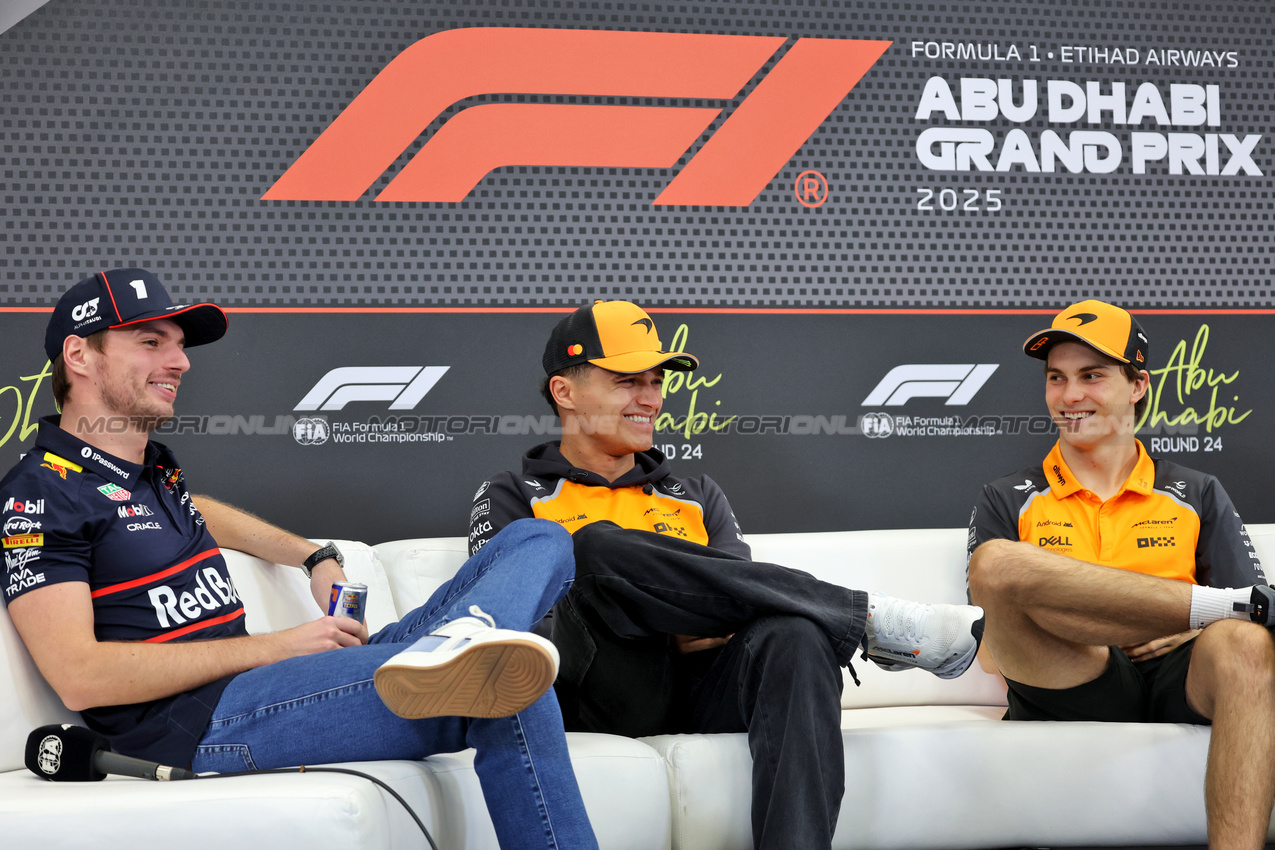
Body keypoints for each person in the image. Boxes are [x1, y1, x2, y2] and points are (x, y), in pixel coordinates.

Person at [1, 268, 599, 850]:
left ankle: (471, 637)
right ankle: (471, 653)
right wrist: (281, 644)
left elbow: (200, 512)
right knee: (509, 684)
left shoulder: (149, 471)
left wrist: (315, 556)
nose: (180, 362)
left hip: (267, 681)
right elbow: (79, 676)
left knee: (544, 541)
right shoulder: (39, 494)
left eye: (180, 346)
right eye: (151, 342)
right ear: (79, 356)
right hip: (203, 722)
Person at [468, 300, 987, 850]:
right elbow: (514, 629)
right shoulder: (512, 496)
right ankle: (868, 619)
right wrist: (651, 609)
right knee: (593, 552)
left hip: (705, 690)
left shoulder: (695, 495)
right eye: (626, 381)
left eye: (654, 380)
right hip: (599, 690)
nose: (650, 398)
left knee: (796, 634)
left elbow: (744, 611)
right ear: (564, 392)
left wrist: (669, 607)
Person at [966, 299, 1275, 850]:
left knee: (1249, 643)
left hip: (1179, 678)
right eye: (1056, 378)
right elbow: (992, 650)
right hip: (1069, 676)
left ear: (1137, 386)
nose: (1070, 396)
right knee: (996, 563)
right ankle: (1199, 608)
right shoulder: (1007, 496)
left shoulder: (1195, 491)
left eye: (1092, 375)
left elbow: (1259, 613)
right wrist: (1139, 626)